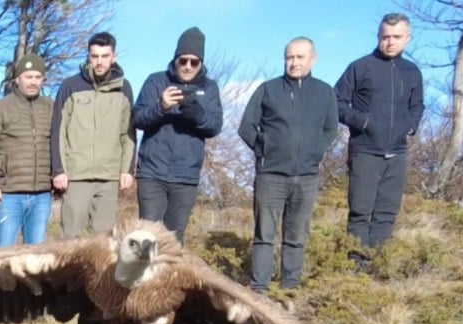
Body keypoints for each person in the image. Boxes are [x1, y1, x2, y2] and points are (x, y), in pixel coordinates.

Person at [239, 37, 338, 292]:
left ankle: (290, 286)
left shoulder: (325, 92)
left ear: (312, 59)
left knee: (296, 236)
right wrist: (265, 150)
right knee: (264, 236)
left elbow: (330, 129)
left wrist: (315, 152)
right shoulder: (268, 89)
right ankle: (259, 287)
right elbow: (246, 126)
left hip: (306, 176)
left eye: (299, 57)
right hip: (271, 175)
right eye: (289, 57)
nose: (293, 62)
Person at [335, 12, 424, 267]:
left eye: (396, 37)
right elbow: (337, 101)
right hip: (364, 150)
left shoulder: (412, 72)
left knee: (386, 213)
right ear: (378, 37)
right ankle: (356, 267)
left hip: (397, 152)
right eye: (385, 37)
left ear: (407, 38)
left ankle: (377, 265)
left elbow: (417, 105)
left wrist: (410, 126)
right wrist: (362, 122)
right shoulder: (360, 67)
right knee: (361, 211)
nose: (390, 42)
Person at [132, 27, 224, 243]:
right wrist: (161, 106)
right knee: (147, 236)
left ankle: (168, 277)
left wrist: (197, 113)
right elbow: (138, 119)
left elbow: (215, 126)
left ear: (201, 63)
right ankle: (146, 278)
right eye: (183, 61)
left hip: (186, 176)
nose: (188, 66)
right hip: (152, 174)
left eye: (194, 62)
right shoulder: (156, 81)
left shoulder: (209, 88)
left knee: (174, 240)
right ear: (175, 59)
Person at [50, 32, 135, 238]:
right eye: (94, 56)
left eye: (104, 56)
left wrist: (127, 170)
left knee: (104, 242)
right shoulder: (70, 86)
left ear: (113, 57)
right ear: (88, 56)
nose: (99, 61)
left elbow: (128, 133)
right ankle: (69, 273)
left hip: (109, 177)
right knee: (70, 240)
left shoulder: (124, 88)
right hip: (76, 175)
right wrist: (59, 169)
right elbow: (58, 130)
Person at [0, 53, 53, 247]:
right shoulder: (0, 108)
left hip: (42, 195)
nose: (33, 82)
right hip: (9, 194)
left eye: (38, 77)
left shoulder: (51, 107)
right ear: (17, 78)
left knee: (35, 256)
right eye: (28, 77)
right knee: (3, 253)